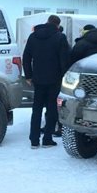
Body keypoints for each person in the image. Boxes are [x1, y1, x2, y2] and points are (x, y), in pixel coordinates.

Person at [22, 15, 71, 148]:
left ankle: (34, 139)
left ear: (47, 22)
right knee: (52, 109)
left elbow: (26, 57)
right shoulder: (60, 37)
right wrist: (64, 77)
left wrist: (28, 75)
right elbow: (64, 60)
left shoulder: (33, 36)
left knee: (36, 109)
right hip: (55, 79)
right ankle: (47, 138)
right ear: (57, 25)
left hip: (37, 79)